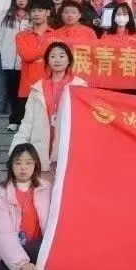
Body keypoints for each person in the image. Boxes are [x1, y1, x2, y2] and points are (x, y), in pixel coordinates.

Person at [10, 42, 88, 175]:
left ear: (69, 60)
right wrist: (15, 149)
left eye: (61, 56)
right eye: (52, 56)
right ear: (47, 60)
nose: (57, 60)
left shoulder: (80, 86)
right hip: (42, 150)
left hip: (68, 150)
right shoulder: (37, 88)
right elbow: (27, 123)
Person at [0, 143, 49, 270]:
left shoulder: (47, 189)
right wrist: (21, 263)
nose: (23, 167)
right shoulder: (0, 196)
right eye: (18, 163)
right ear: (11, 166)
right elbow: (2, 235)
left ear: (35, 165)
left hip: (39, 248)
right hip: (10, 253)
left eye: (28, 163)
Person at [0, 0, 32, 132]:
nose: (21, 0)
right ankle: (14, 120)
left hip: (25, 61)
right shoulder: (8, 16)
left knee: (23, 93)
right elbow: (1, 36)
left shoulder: (32, 17)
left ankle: (23, 120)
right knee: (12, 91)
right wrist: (4, 54)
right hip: (9, 60)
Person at [15, 0, 55, 115]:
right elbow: (27, 56)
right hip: (28, 88)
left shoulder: (57, 34)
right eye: (33, 11)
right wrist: (48, 46)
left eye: (40, 10)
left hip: (51, 87)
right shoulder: (21, 36)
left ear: (48, 12)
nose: (36, 14)